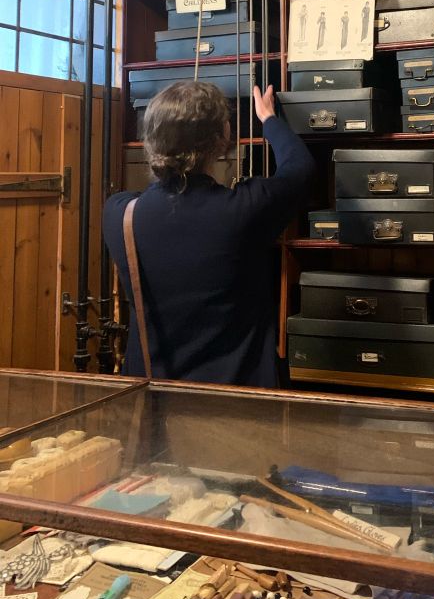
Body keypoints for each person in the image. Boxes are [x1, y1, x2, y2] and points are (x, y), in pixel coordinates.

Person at [103, 81, 315, 387]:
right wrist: (269, 119)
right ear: (222, 137)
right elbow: (300, 168)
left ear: (150, 140)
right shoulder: (246, 209)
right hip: (237, 398)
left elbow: (160, 200)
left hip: (153, 399)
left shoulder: (119, 214)